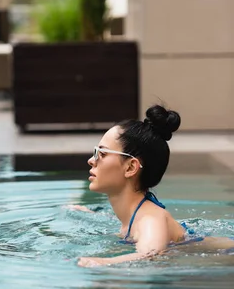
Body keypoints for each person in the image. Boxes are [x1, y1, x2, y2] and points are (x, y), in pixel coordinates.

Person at [77, 105, 234, 267]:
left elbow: (151, 254)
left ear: (130, 167)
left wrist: (100, 262)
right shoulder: (135, 217)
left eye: (101, 153)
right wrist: (89, 214)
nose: (91, 160)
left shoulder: (150, 219)